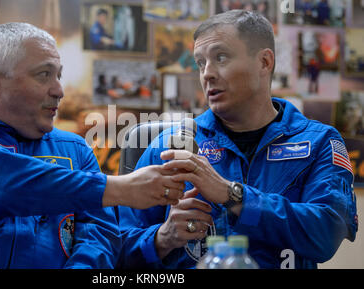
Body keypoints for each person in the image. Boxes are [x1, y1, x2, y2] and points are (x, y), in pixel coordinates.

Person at [0, 22, 185, 268]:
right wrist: (118, 188)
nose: (59, 90)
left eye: (59, 75)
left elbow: (97, 237)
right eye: (44, 75)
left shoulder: (75, 150)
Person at [116, 10, 358, 269]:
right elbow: (114, 248)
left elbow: (326, 235)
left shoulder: (320, 142)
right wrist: (162, 238)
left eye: (220, 57)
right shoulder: (167, 147)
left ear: (264, 62)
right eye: (200, 62)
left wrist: (234, 197)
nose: (206, 73)